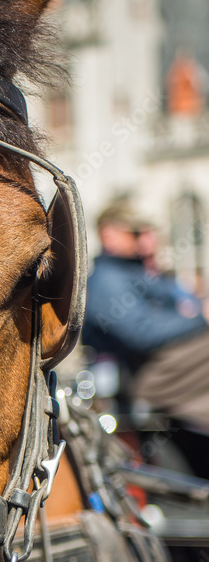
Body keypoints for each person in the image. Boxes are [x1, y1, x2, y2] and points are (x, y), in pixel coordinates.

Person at [83, 200, 209, 475]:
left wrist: (192, 314)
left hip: (169, 366)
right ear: (109, 234)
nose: (144, 241)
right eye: (136, 233)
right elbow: (142, 333)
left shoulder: (134, 272)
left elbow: (177, 306)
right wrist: (199, 317)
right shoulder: (108, 280)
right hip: (147, 377)